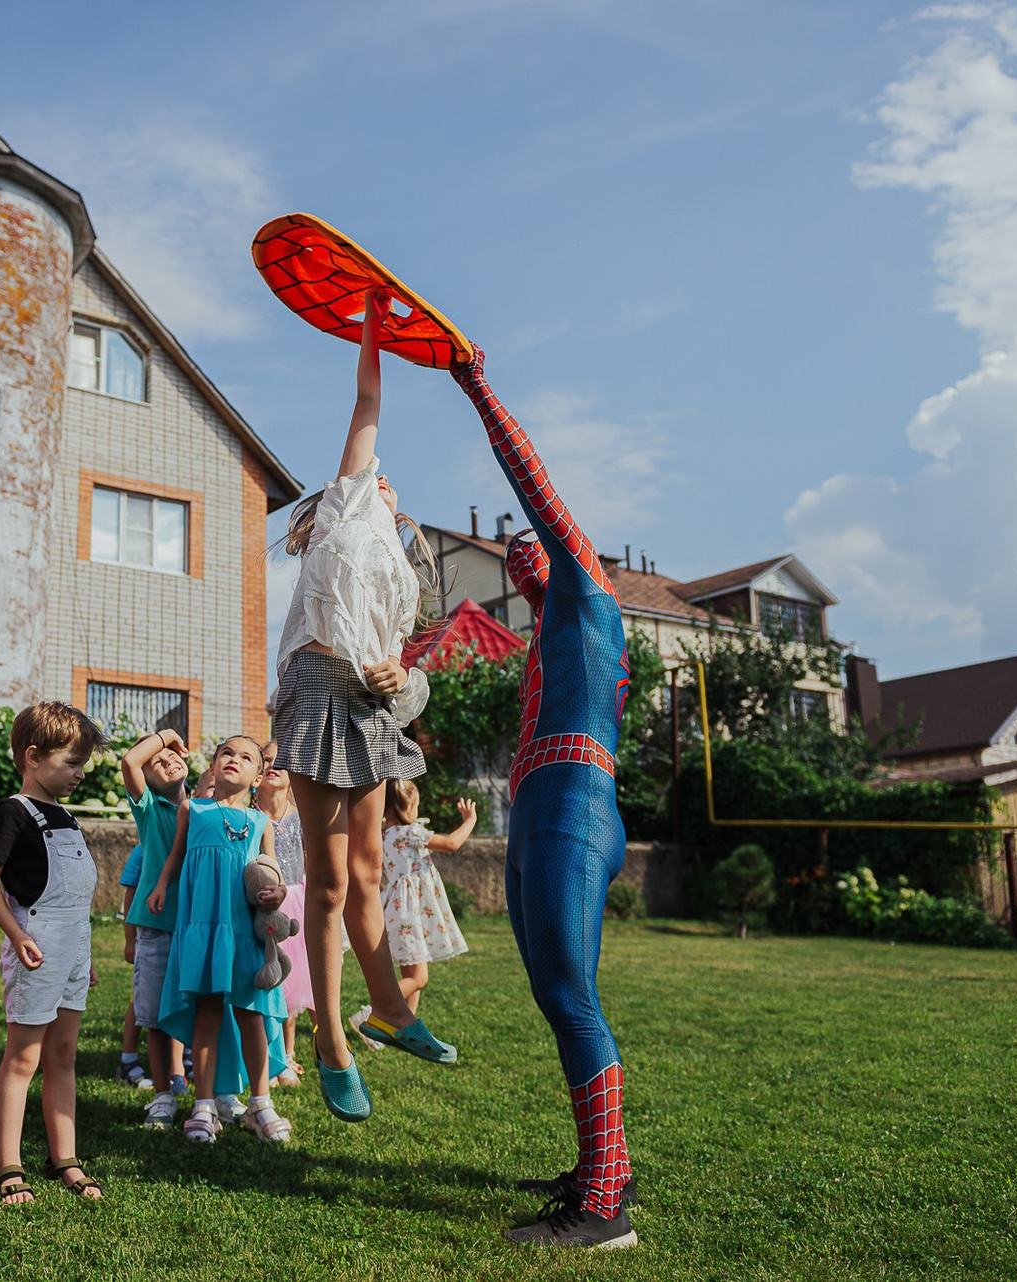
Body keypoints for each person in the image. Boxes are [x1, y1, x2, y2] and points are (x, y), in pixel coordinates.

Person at [452, 344, 637, 1248]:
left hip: (572, 804)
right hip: (540, 808)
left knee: (570, 994)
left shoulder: (589, 591)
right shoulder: (550, 632)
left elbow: (530, 481)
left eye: (537, 544)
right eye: (515, 552)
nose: (523, 551)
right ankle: (606, 1166)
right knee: (554, 995)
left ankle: (604, 1207)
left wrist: (476, 386)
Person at [271, 288, 456, 1124]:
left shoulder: (400, 572)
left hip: (373, 708)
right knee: (327, 881)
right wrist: (375, 323)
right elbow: (368, 399)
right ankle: (330, 1044)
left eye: (387, 483)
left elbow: (410, 673)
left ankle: (389, 1010)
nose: (384, 478)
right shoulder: (346, 509)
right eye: (375, 475)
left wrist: (400, 682)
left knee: (370, 870)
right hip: (318, 693)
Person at [0, 701, 107, 1207]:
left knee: (63, 1055)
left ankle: (63, 1158)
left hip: (73, 948)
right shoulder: (15, 812)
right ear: (33, 757)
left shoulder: (66, 816)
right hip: (37, 947)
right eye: (72, 762)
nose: (80, 773)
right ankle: (6, 1167)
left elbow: (75, 899)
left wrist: (84, 957)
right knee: (23, 1058)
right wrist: (15, 935)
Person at [146, 736, 292, 1143]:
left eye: (246, 757)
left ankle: (260, 1103)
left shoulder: (261, 823)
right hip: (203, 929)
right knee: (207, 1014)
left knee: (251, 1015)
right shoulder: (192, 810)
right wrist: (161, 886)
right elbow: (176, 856)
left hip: (244, 933)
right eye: (227, 753)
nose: (234, 760)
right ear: (212, 766)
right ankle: (204, 1106)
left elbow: (273, 871)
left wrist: (278, 892)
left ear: (257, 776)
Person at [350, 781, 474, 1041]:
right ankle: (371, 1014)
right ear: (408, 806)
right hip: (409, 914)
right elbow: (451, 843)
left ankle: (403, 1032)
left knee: (412, 972)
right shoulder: (409, 833)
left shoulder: (382, 836)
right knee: (418, 978)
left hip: (399, 913)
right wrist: (469, 820)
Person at [119, 726, 195, 1129]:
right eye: (158, 763)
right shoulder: (148, 809)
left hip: (199, 925)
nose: (168, 762)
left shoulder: (203, 806)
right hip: (157, 925)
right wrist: (167, 736)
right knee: (156, 1017)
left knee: (200, 1011)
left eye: (172, 757)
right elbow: (129, 760)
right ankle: (163, 1095)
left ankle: (209, 1095)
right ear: (145, 782)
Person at [256, 740, 309, 1086]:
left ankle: (287, 1054)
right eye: (266, 760)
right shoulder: (250, 814)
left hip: (294, 903)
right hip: (260, 904)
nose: (273, 765)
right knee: (264, 976)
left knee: (291, 980)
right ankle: (263, 1053)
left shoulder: (300, 818)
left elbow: (310, 862)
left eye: (281, 761)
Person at [114, 842, 151, 1089]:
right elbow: (130, 897)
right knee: (138, 999)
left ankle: (184, 1056)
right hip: (146, 938)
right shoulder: (142, 851)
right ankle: (128, 1058)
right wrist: (130, 939)